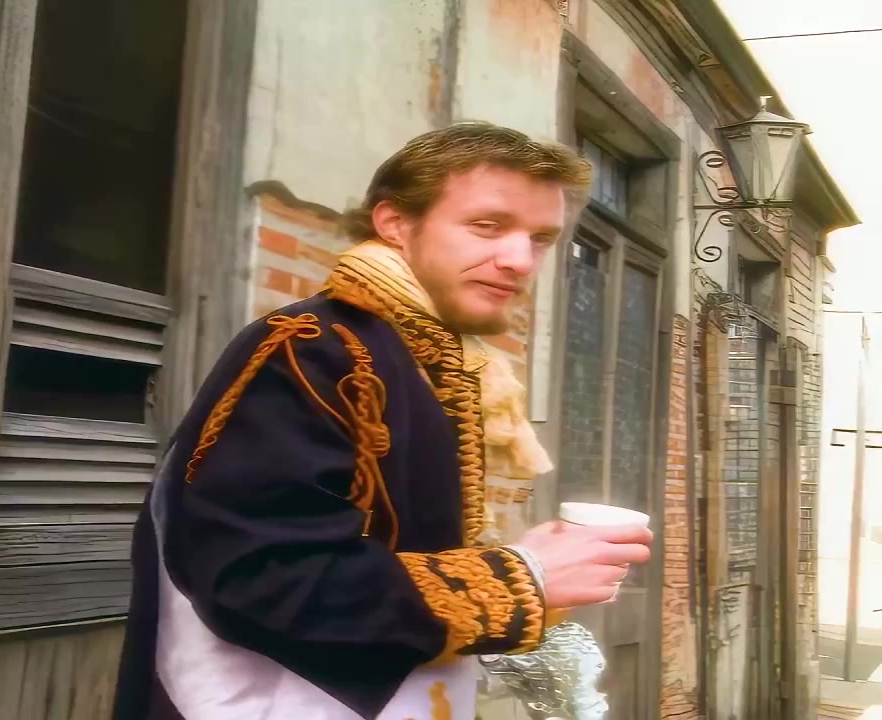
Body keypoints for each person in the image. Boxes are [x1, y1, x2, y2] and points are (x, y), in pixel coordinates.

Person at [112, 121, 654, 720]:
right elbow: (262, 578)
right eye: (487, 226)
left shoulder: (428, 355)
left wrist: (527, 587)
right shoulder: (317, 348)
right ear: (394, 223)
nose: (520, 260)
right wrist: (521, 579)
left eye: (541, 238)